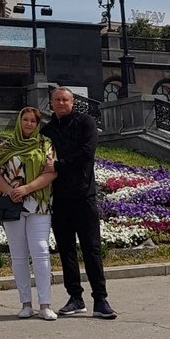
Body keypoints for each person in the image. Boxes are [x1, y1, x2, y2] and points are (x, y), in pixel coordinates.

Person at [42, 87, 117, 319]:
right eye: (57, 100)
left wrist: (59, 165)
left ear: (72, 102)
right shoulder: (47, 130)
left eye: (65, 99)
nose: (61, 103)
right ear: (51, 104)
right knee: (66, 250)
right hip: (60, 198)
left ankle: (100, 299)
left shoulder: (86, 122)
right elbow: (40, 157)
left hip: (84, 196)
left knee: (91, 248)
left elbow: (87, 152)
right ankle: (75, 297)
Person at [0, 106, 58, 321]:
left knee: (40, 251)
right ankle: (25, 304)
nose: (28, 124)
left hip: (39, 205)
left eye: (33, 121)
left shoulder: (45, 144)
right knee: (18, 255)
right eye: (25, 120)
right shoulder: (7, 146)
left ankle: (45, 304)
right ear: (19, 122)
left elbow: (51, 173)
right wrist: (11, 191)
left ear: (38, 125)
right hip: (13, 206)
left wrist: (27, 189)